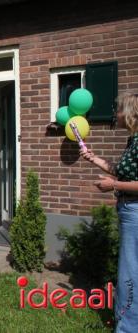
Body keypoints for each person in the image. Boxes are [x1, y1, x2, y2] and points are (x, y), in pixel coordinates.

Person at [80, 92, 138, 332]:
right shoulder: (133, 141)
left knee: (130, 272)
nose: (116, 114)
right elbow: (124, 171)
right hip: (129, 209)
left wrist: (112, 185)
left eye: (119, 110)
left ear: (131, 113)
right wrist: (95, 159)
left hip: (135, 212)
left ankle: (127, 328)